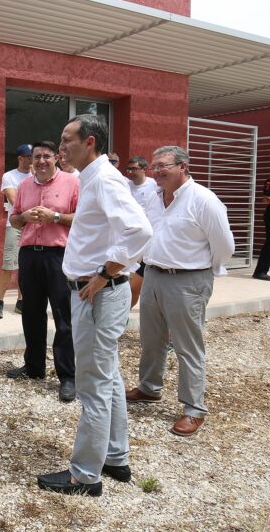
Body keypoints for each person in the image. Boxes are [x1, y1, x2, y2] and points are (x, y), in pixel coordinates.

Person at [36, 115, 152, 497]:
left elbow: (140, 231)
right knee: (109, 376)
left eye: (66, 139)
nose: (60, 146)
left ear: (89, 142)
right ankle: (115, 456)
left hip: (97, 292)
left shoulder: (103, 179)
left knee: (94, 385)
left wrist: (104, 272)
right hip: (98, 291)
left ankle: (85, 475)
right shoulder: (93, 179)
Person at [126, 145, 235, 439]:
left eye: (164, 166)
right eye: (155, 166)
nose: (157, 171)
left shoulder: (204, 200)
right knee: (151, 338)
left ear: (183, 167)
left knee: (188, 346)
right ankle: (149, 388)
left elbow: (224, 246)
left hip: (188, 281)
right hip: (152, 274)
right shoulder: (152, 196)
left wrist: (201, 271)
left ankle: (193, 409)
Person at [7, 141, 79, 402]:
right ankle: (34, 366)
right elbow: (14, 220)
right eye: (36, 157)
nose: (40, 161)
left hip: (58, 256)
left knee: (63, 317)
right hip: (29, 255)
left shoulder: (72, 182)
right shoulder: (24, 185)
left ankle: (68, 377)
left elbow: (82, 218)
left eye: (46, 156)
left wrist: (54, 218)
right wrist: (25, 215)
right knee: (31, 312)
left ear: (57, 158)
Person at [0, 143, 31, 318]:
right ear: (20, 158)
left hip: (33, 225)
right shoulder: (9, 176)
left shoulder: (37, 176)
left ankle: (21, 301)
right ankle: (0, 301)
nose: (32, 160)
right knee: (8, 264)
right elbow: (15, 200)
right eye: (29, 157)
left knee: (26, 266)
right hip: (14, 225)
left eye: (33, 157)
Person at [124, 155, 158, 307]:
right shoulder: (124, 185)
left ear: (144, 169)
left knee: (135, 286)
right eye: (128, 168)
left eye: (134, 169)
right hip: (127, 238)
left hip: (147, 241)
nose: (130, 172)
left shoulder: (154, 186)